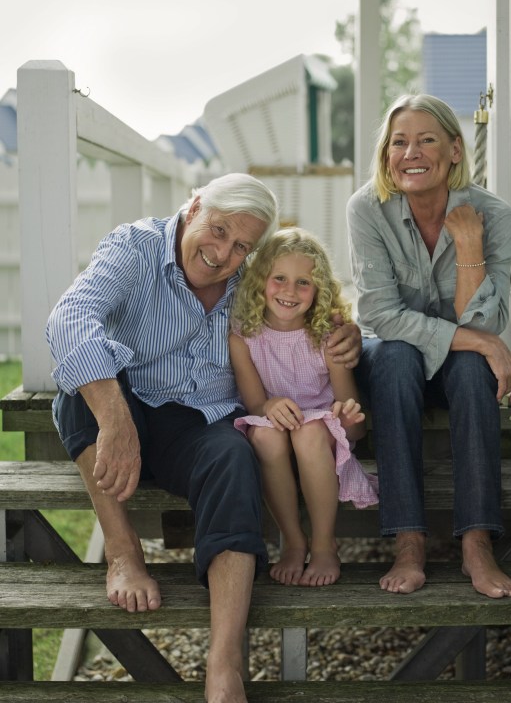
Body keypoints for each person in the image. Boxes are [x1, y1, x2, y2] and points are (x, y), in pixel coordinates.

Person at [46, 173, 361, 703]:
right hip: (130, 404)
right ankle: (123, 553)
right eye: (217, 231)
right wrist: (117, 420)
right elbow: (70, 318)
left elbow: (304, 305)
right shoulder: (136, 246)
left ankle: (225, 663)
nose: (222, 253)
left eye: (241, 246)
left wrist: (352, 334)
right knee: (79, 391)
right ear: (193, 208)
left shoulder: (253, 278)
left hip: (201, 420)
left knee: (234, 456)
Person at [347, 94, 511, 600]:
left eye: (426, 140)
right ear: (386, 155)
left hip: (458, 371)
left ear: (452, 150)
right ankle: (408, 540)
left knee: (470, 366)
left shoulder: (494, 215)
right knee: (401, 354)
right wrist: (485, 345)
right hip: (393, 368)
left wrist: (469, 248)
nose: (411, 152)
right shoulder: (367, 209)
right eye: (399, 142)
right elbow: (380, 315)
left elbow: (485, 321)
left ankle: (477, 542)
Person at [229, 228, 378, 588]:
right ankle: (294, 541)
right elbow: (254, 404)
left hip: (322, 436)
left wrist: (348, 420)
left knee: (310, 433)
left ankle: (325, 544)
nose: (289, 292)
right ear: (261, 280)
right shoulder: (242, 337)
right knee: (263, 435)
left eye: (303, 283)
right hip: (275, 429)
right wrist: (271, 403)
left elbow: (354, 428)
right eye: (279, 278)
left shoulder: (329, 338)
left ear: (319, 290)